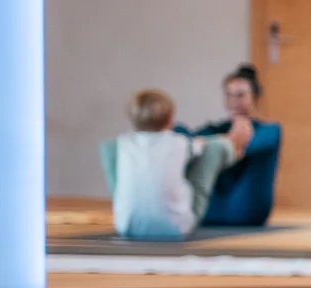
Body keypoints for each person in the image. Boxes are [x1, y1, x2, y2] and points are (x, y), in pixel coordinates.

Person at [101, 89, 249, 240]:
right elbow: (204, 147)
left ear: (132, 120)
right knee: (215, 148)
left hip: (126, 226)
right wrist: (227, 143)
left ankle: (129, 208)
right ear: (170, 120)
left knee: (110, 150)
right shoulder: (180, 143)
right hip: (177, 227)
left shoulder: (121, 144)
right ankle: (235, 150)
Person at [187, 64, 282, 227]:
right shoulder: (211, 130)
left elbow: (250, 146)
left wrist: (224, 145)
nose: (234, 101)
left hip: (247, 211)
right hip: (210, 210)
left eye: (240, 95)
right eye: (229, 95)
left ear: (255, 98)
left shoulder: (269, 130)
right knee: (181, 132)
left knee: (211, 147)